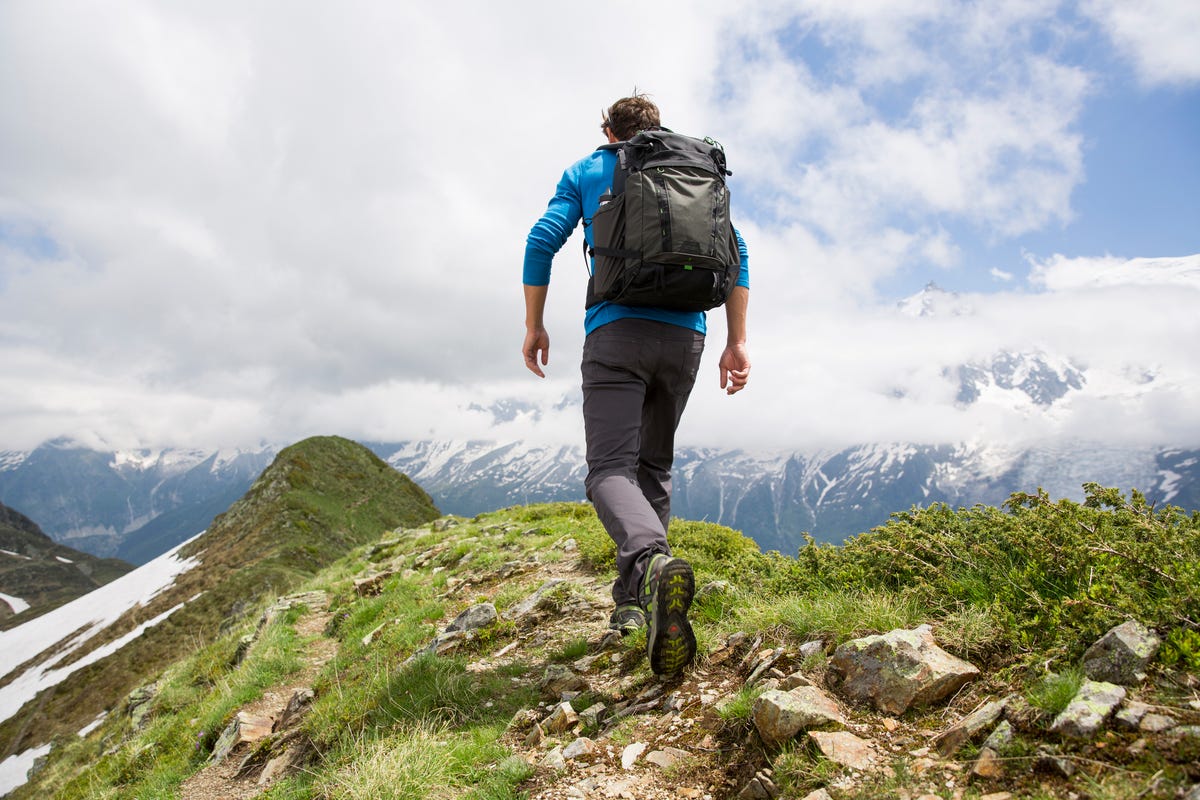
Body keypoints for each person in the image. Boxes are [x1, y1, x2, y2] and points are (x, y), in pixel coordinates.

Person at [522, 93, 750, 676]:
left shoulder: (589, 169)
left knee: (609, 471)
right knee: (654, 467)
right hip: (687, 340)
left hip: (616, 332)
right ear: (656, 127)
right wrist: (736, 341)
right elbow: (738, 256)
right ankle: (633, 607)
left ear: (607, 129)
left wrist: (534, 324)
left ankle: (651, 566)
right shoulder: (694, 171)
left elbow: (541, 240)